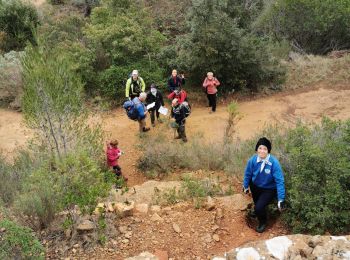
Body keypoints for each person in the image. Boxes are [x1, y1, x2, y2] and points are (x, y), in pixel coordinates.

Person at [242, 137, 285, 233]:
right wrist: (245, 186)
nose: (262, 151)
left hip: (269, 189)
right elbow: (247, 174)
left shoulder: (274, 163)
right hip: (255, 186)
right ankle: (257, 212)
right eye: (260, 148)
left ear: (268, 151)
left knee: (259, 207)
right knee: (257, 204)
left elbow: (280, 181)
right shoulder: (252, 160)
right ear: (257, 149)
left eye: (265, 149)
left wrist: (281, 199)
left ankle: (263, 222)